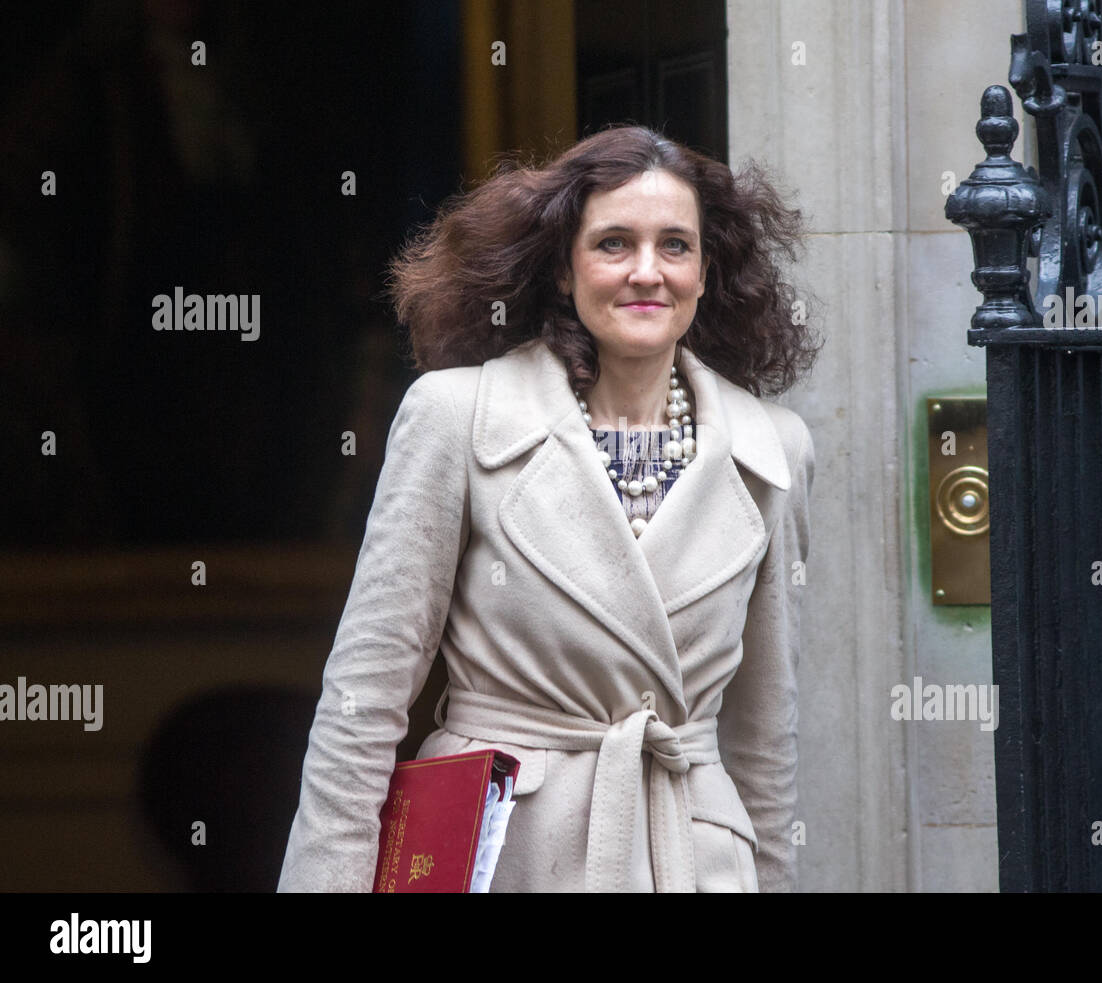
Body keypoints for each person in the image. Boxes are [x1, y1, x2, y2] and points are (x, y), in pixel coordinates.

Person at [278, 124, 821, 893]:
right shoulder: (455, 418)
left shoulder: (775, 451)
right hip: (509, 853)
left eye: (675, 245)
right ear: (564, 270)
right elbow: (362, 703)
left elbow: (767, 741)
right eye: (613, 244)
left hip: (692, 862)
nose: (647, 272)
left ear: (706, 271)